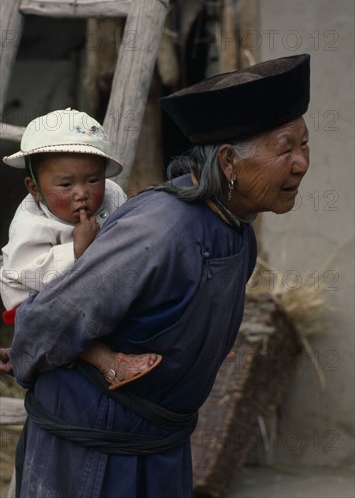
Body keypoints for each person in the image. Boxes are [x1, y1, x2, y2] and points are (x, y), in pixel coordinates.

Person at [0, 54, 310, 498]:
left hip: (158, 447)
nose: (300, 163)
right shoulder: (161, 230)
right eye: (285, 149)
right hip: (93, 456)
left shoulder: (236, 229)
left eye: (305, 146)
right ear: (228, 162)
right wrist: (26, 353)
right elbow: (52, 317)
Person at [0, 108, 162, 389]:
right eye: (65, 184)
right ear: (35, 188)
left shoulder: (111, 195)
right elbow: (25, 272)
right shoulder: (29, 222)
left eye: (92, 180)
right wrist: (75, 252)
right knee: (67, 323)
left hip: (95, 287)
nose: (82, 193)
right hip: (36, 299)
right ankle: (108, 363)